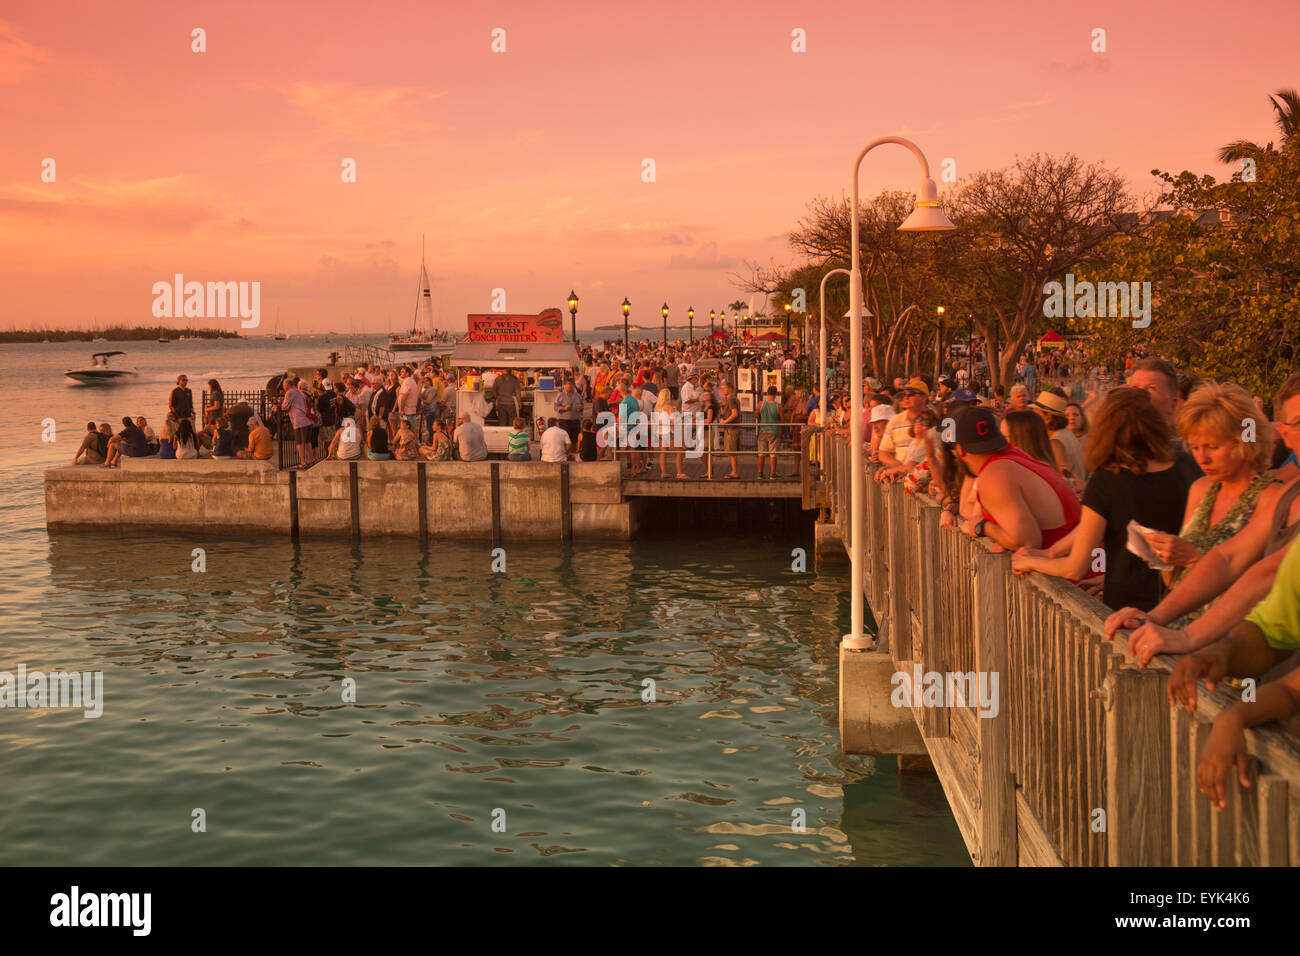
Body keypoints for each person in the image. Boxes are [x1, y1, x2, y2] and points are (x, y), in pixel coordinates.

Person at [1012, 387, 1191, 611]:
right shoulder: (1185, 467)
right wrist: (1051, 553)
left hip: (1128, 612)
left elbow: (1074, 567)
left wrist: (1028, 561)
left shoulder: (1109, 480)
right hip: (1183, 605)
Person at [953, 405, 1080, 552]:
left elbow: (1027, 542)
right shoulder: (1016, 455)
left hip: (1076, 571)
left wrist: (983, 527)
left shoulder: (994, 474)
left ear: (960, 450)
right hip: (1087, 561)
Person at [1130, 356, 1203, 481]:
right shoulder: (1118, 452)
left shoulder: (1196, 454)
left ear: (1172, 404)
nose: (1140, 394)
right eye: (1135, 388)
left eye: (1151, 388)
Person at [1031, 389, 1086, 491]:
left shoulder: (1055, 442)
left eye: (1037, 414)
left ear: (1048, 416)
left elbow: (1068, 478)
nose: (1033, 418)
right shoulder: (1067, 433)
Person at [876, 379, 928, 477]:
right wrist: (901, 467)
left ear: (924, 397)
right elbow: (883, 453)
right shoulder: (895, 421)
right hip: (899, 484)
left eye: (911, 394)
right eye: (905, 394)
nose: (906, 397)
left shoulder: (934, 420)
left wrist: (902, 469)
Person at [717, 381, 742, 479]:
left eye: (725, 388)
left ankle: (734, 472)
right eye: (721, 388)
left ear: (730, 388)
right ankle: (734, 471)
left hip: (731, 428)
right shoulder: (731, 398)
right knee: (732, 451)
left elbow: (735, 413)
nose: (723, 390)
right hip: (732, 427)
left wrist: (725, 421)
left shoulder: (730, 398)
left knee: (731, 451)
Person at [757, 386, 782, 479]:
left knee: (761, 453)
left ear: (767, 393)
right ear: (776, 394)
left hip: (763, 431)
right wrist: (781, 433)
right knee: (773, 453)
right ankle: (773, 474)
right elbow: (782, 419)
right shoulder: (778, 406)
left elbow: (756, 414)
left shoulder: (761, 404)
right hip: (774, 431)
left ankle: (760, 473)